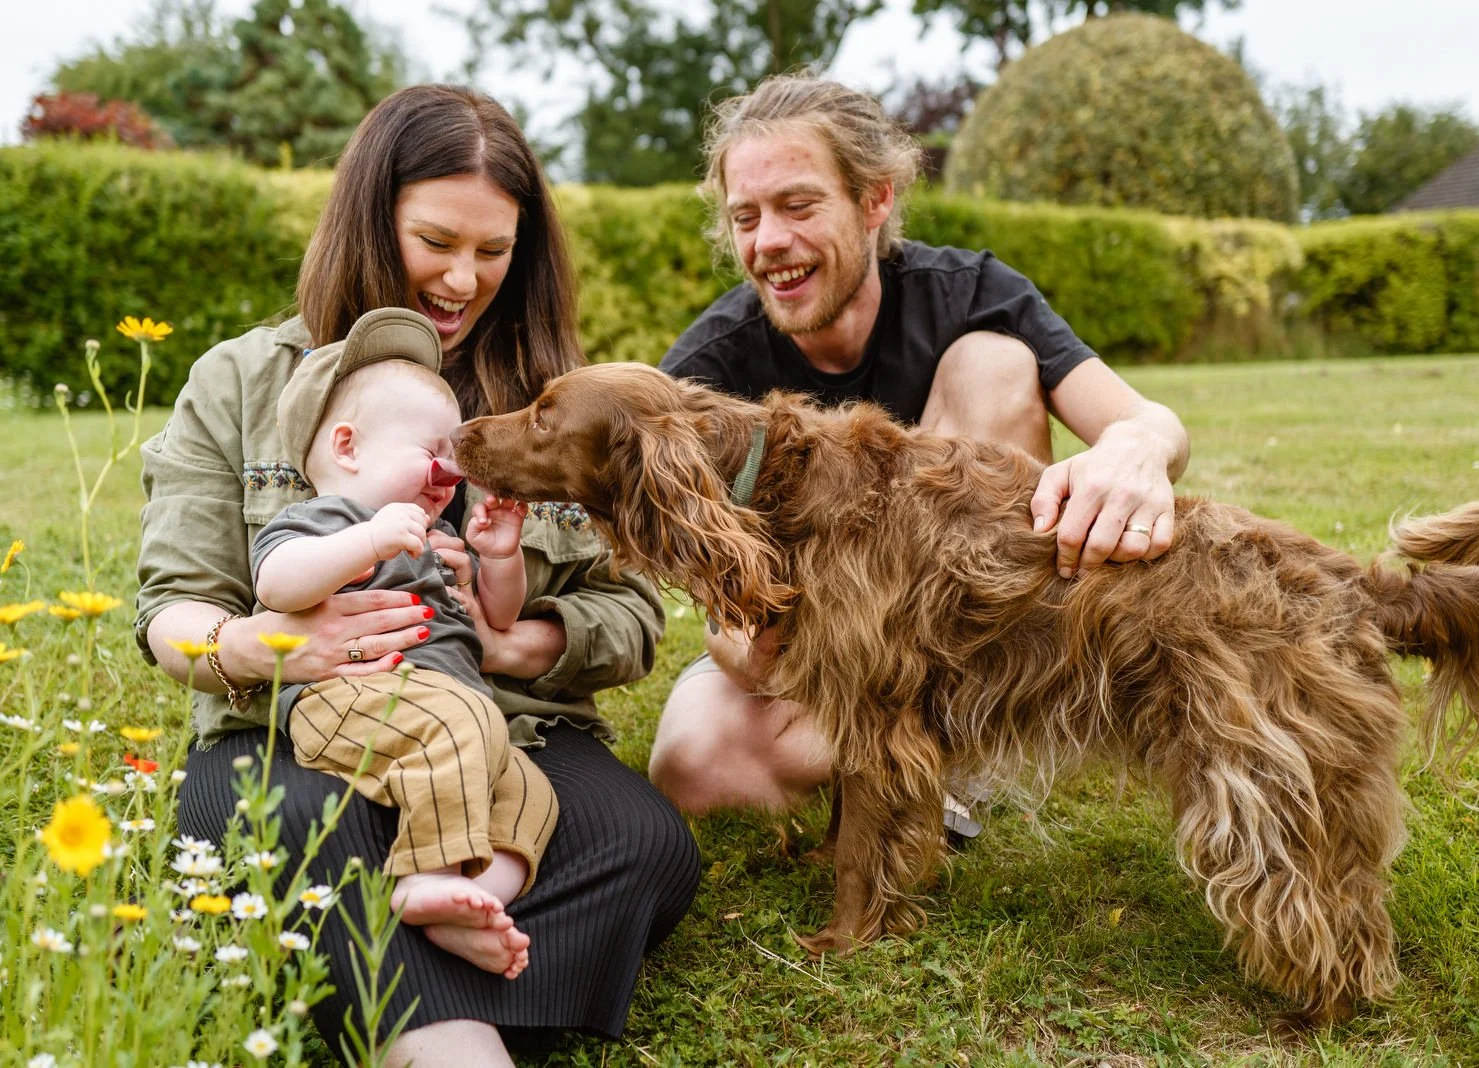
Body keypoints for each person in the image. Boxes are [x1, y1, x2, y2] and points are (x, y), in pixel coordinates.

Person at [137, 85, 699, 1066]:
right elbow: (168, 610)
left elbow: (631, 615)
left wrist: (514, 637)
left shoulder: (558, 403)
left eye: (494, 251)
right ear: (369, 219)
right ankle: (451, 1034)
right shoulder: (242, 378)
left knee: (641, 843)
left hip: (506, 723)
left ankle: (374, 975)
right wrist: (261, 644)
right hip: (294, 733)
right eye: (436, 240)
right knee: (291, 826)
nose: (462, 278)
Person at [649, 74, 1191, 829]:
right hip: (816, 659)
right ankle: (904, 762)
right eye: (746, 216)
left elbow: (1154, 422)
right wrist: (745, 642)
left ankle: (958, 744)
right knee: (694, 765)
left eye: (799, 206)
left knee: (993, 361)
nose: (768, 241)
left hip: (962, 637)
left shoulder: (969, 291)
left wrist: (1135, 445)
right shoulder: (712, 367)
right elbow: (719, 614)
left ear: (875, 201)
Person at [255, 307, 557, 981]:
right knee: (465, 721)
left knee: (533, 791)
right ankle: (424, 876)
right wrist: (366, 542)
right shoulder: (324, 521)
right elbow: (277, 584)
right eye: (432, 453)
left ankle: (476, 900)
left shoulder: (437, 538)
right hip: (345, 696)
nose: (450, 473)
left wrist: (498, 558)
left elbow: (498, 619)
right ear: (348, 448)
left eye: (455, 458)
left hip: (438, 709)